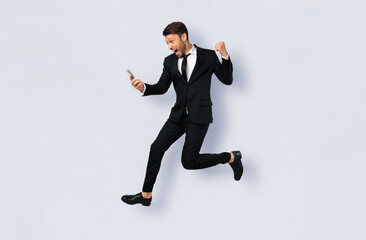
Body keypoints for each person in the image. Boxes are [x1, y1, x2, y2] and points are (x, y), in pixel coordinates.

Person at [121, 22, 243, 206]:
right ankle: (146, 196)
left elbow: (227, 80)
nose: (170, 46)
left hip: (199, 117)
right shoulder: (169, 61)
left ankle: (231, 157)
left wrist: (224, 55)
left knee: (189, 162)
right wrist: (144, 87)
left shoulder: (208, 56)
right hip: (177, 117)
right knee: (156, 149)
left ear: (183, 36)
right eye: (167, 44)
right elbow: (162, 87)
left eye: (171, 41)